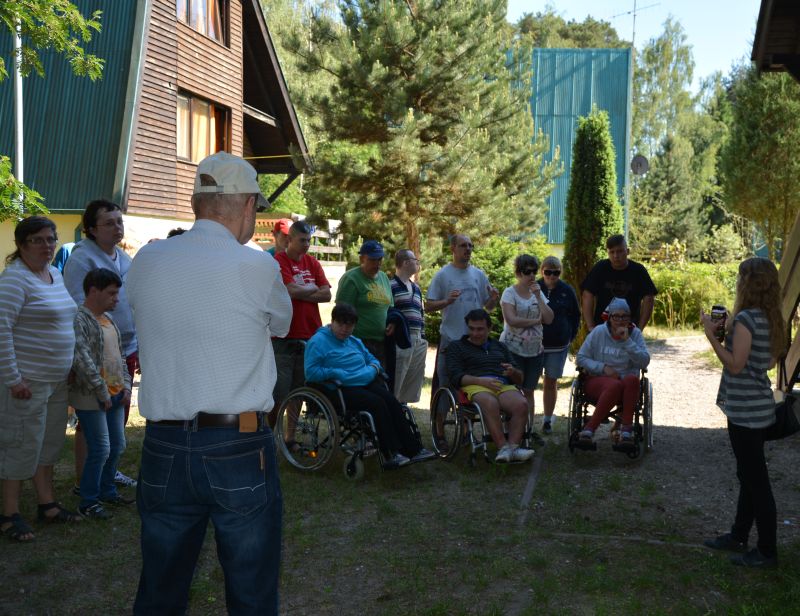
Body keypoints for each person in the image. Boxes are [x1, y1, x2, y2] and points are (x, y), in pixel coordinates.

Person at [127, 152, 292, 614]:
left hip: (163, 443)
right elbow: (281, 324)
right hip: (238, 443)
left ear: (197, 203)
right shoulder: (256, 266)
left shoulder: (148, 258)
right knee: (251, 589)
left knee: (160, 587)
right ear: (247, 206)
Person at [701, 257, 787, 568]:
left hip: (744, 411)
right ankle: (739, 535)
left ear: (748, 283)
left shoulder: (747, 320)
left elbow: (735, 365)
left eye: (740, 278)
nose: (737, 283)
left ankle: (766, 551)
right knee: (748, 476)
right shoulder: (770, 317)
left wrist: (711, 336)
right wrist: (729, 331)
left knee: (757, 483)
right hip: (759, 407)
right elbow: (768, 362)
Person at [0, 217, 81, 542]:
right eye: (37, 240)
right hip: (26, 382)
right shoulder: (14, 280)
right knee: (20, 445)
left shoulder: (54, 274)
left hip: (56, 380)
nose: (46, 246)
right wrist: (12, 379)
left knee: (47, 444)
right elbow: (2, 330)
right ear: (21, 244)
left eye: (51, 239)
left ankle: (47, 504)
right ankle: (8, 514)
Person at [63, 199, 138, 489]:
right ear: (92, 229)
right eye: (109, 223)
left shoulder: (124, 257)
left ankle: (108, 474)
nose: (117, 227)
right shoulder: (82, 258)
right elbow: (76, 304)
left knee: (118, 411)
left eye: (119, 221)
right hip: (97, 349)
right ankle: (85, 479)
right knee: (93, 417)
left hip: (124, 346)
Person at [304, 303, 435, 468]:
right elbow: (311, 372)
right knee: (377, 404)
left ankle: (414, 449)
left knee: (391, 401)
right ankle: (391, 453)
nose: (344, 329)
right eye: (341, 324)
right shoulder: (318, 341)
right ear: (332, 321)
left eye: (349, 325)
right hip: (339, 388)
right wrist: (337, 373)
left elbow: (372, 360)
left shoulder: (354, 341)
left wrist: (373, 368)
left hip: (364, 382)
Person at [70, 268, 133, 520]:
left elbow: (120, 356)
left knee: (117, 445)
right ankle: (88, 500)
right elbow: (82, 358)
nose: (116, 299)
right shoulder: (80, 319)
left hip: (115, 394)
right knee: (100, 449)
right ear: (94, 291)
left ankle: (107, 490)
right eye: (111, 293)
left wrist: (126, 386)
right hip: (92, 396)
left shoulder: (109, 320)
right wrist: (101, 390)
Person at [446, 309, 534, 463]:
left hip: (501, 384)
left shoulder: (500, 346)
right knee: (490, 402)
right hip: (474, 384)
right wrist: (481, 381)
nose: (475, 333)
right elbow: (455, 377)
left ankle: (513, 448)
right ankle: (503, 448)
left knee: (521, 404)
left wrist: (513, 372)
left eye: (480, 329)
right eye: (471, 328)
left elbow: (519, 378)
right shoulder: (457, 346)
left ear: (489, 328)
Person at [272, 220, 331, 443]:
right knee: (279, 392)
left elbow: (327, 295)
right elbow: (288, 290)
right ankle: (271, 436)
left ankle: (289, 438)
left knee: (298, 390)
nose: (306, 245)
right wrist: (312, 288)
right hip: (284, 336)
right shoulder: (279, 260)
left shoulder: (312, 263)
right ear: (289, 239)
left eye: (309, 241)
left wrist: (302, 291)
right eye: (302, 240)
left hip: (309, 335)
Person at [426, 234, 500, 389]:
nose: (468, 249)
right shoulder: (442, 275)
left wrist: (493, 299)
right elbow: (428, 306)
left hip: (475, 340)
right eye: (463, 245)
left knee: (473, 386)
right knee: (445, 384)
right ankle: (442, 406)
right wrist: (447, 301)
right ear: (453, 248)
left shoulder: (479, 275)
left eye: (470, 245)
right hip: (450, 339)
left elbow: (489, 307)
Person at [575, 298, 650, 448]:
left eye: (625, 316)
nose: (620, 320)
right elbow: (581, 358)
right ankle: (589, 429)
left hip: (627, 385)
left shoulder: (635, 334)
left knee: (632, 380)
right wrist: (603, 368)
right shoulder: (598, 332)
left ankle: (626, 431)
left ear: (630, 318)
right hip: (598, 380)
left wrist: (627, 341)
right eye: (616, 316)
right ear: (609, 317)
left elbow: (644, 361)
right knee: (614, 385)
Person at [500, 255, 553, 443]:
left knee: (529, 391)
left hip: (535, 351)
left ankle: (527, 431)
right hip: (513, 349)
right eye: (526, 271)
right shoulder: (509, 293)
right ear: (518, 273)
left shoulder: (538, 293)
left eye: (533, 271)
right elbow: (512, 320)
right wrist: (535, 321)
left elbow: (549, 318)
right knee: (513, 390)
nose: (531, 275)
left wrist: (538, 297)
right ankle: (511, 432)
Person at [537, 256, 580, 434]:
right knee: (528, 383)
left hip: (558, 345)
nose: (552, 276)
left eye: (556, 273)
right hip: (534, 345)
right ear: (542, 271)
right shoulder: (534, 287)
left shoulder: (567, 290)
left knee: (551, 381)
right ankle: (526, 422)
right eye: (548, 272)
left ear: (560, 273)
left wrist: (570, 336)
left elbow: (575, 315)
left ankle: (547, 419)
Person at [335, 240, 394, 366]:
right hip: (357, 342)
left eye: (380, 259)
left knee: (378, 376)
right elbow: (341, 312)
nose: (377, 263)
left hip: (381, 342)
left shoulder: (384, 278)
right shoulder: (351, 278)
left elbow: (390, 308)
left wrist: (393, 322)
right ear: (362, 259)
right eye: (373, 259)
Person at [581, 234, 657, 332]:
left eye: (620, 251)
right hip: (602, 329)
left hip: (629, 329)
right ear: (608, 253)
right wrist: (591, 326)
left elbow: (649, 298)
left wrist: (639, 328)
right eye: (612, 252)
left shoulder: (638, 271)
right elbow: (587, 295)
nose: (616, 256)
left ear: (627, 251)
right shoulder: (600, 268)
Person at [390, 249, 427, 405]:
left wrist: (423, 338)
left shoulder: (416, 288)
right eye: (415, 260)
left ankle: (403, 409)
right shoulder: (391, 285)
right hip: (402, 339)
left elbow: (421, 313)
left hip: (418, 339)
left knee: (411, 382)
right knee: (397, 379)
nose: (418, 263)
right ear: (405, 263)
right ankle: (393, 408)